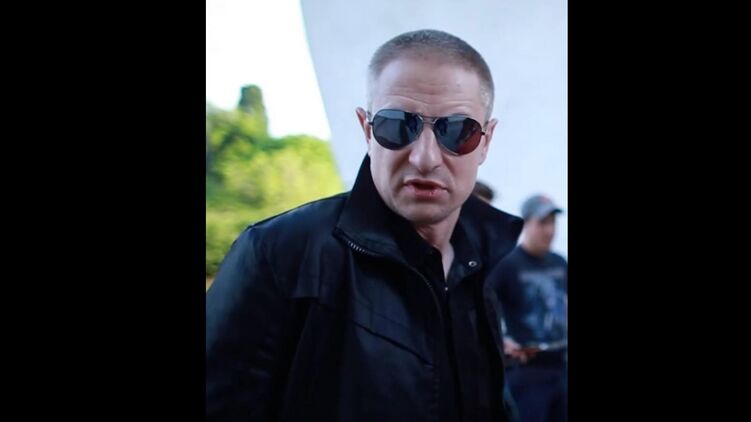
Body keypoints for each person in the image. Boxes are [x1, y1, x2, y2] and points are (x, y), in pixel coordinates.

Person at [206, 29, 524, 421]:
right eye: (398, 125)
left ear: (486, 141)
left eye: (458, 131)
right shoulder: (279, 254)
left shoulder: (480, 262)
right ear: (367, 129)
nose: (425, 158)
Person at [490, 194, 568, 422]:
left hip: (560, 366)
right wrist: (501, 340)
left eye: (552, 223)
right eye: (542, 223)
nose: (549, 230)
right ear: (526, 223)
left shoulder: (559, 262)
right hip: (527, 371)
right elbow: (481, 306)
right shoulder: (508, 264)